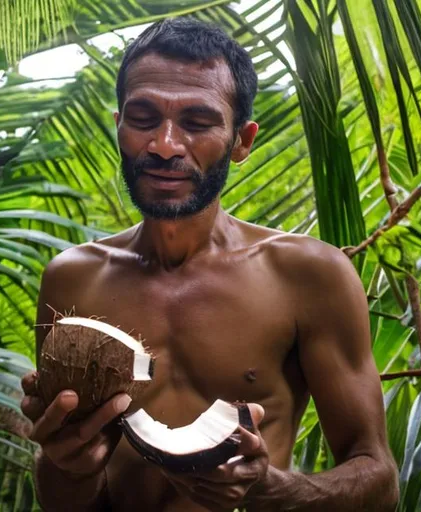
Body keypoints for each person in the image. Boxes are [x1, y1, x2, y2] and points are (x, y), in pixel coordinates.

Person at [21, 17, 399, 512]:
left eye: (198, 123)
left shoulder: (306, 275)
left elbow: (379, 478)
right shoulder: (73, 277)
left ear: (242, 141)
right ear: (118, 125)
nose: (164, 145)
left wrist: (275, 492)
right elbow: (67, 501)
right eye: (142, 118)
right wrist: (66, 465)